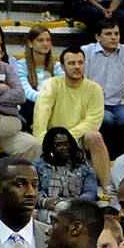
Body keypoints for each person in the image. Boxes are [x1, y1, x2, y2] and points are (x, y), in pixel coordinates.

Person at [32, 46, 111, 189]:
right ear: (62, 66)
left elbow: (93, 121)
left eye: (80, 63)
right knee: (35, 142)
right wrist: (44, 139)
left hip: (79, 138)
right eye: (72, 63)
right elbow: (41, 113)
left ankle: (107, 187)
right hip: (52, 137)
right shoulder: (52, 84)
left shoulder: (94, 88)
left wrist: (68, 137)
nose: (77, 67)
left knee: (95, 136)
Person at [83, 17, 124, 148]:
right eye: (108, 34)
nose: (114, 37)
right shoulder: (87, 51)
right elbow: (82, 84)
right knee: (107, 120)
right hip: (94, 105)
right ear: (98, 37)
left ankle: (123, 156)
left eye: (116, 33)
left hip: (117, 104)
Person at [33, 127, 97, 225]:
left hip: (76, 207)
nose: (65, 147)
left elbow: (90, 193)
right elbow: (33, 191)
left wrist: (71, 204)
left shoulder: (84, 167)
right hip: (47, 208)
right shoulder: (38, 166)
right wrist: (45, 202)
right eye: (59, 145)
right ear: (50, 147)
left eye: (67, 143)